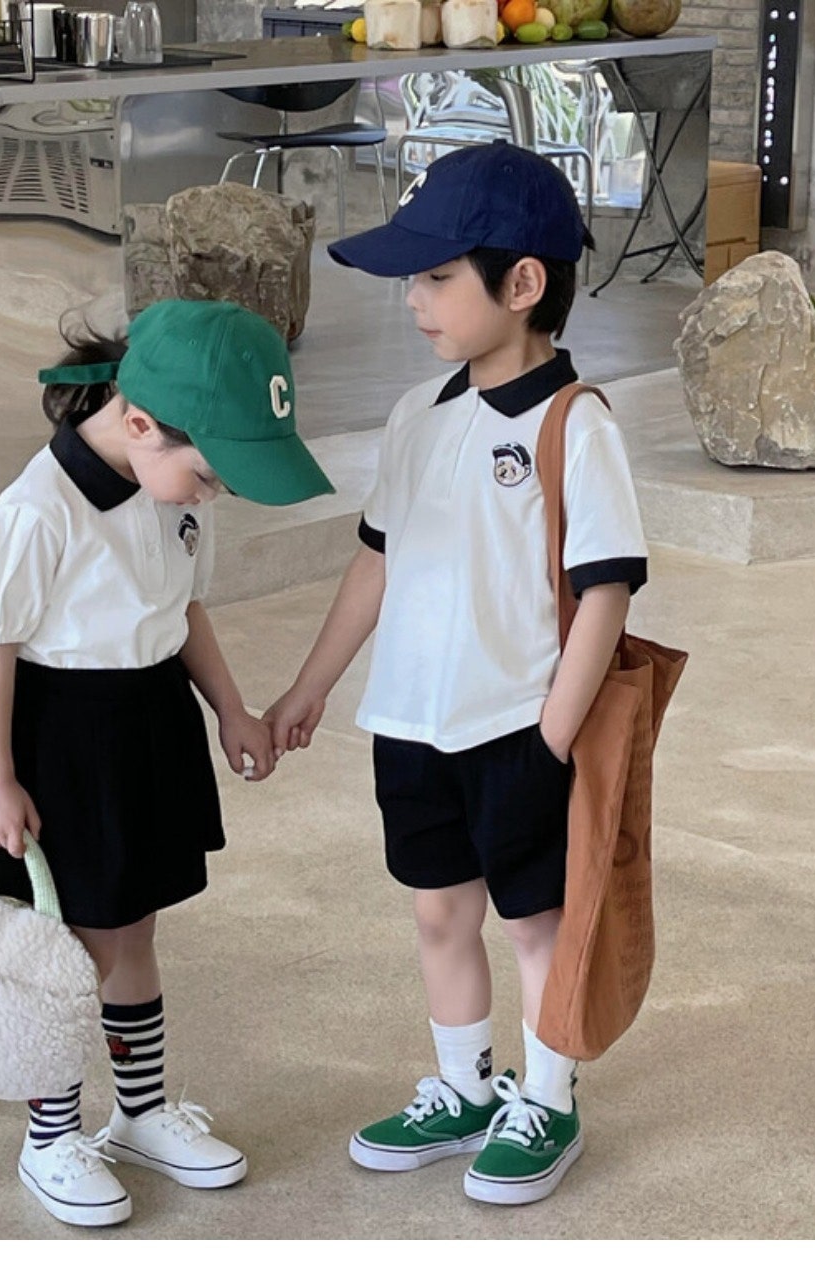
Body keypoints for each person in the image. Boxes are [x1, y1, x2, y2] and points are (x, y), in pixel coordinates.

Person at [264, 142, 648, 1206]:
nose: (413, 300)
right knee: (439, 914)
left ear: (521, 283)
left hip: (515, 727)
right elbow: (376, 561)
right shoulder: (417, 416)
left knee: (535, 925)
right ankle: (465, 1086)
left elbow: (606, 593)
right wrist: (310, 687)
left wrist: (552, 736)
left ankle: (548, 1098)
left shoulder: (575, 426)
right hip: (410, 723)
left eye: (436, 277)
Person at [0, 299, 334, 1228]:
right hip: (61, 739)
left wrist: (230, 709)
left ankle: (138, 1114)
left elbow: (184, 610)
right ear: (141, 422)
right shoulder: (38, 508)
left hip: (146, 723)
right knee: (65, 950)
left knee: (132, 932)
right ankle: (50, 1136)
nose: (210, 494)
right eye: (208, 473)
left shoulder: (169, 489)